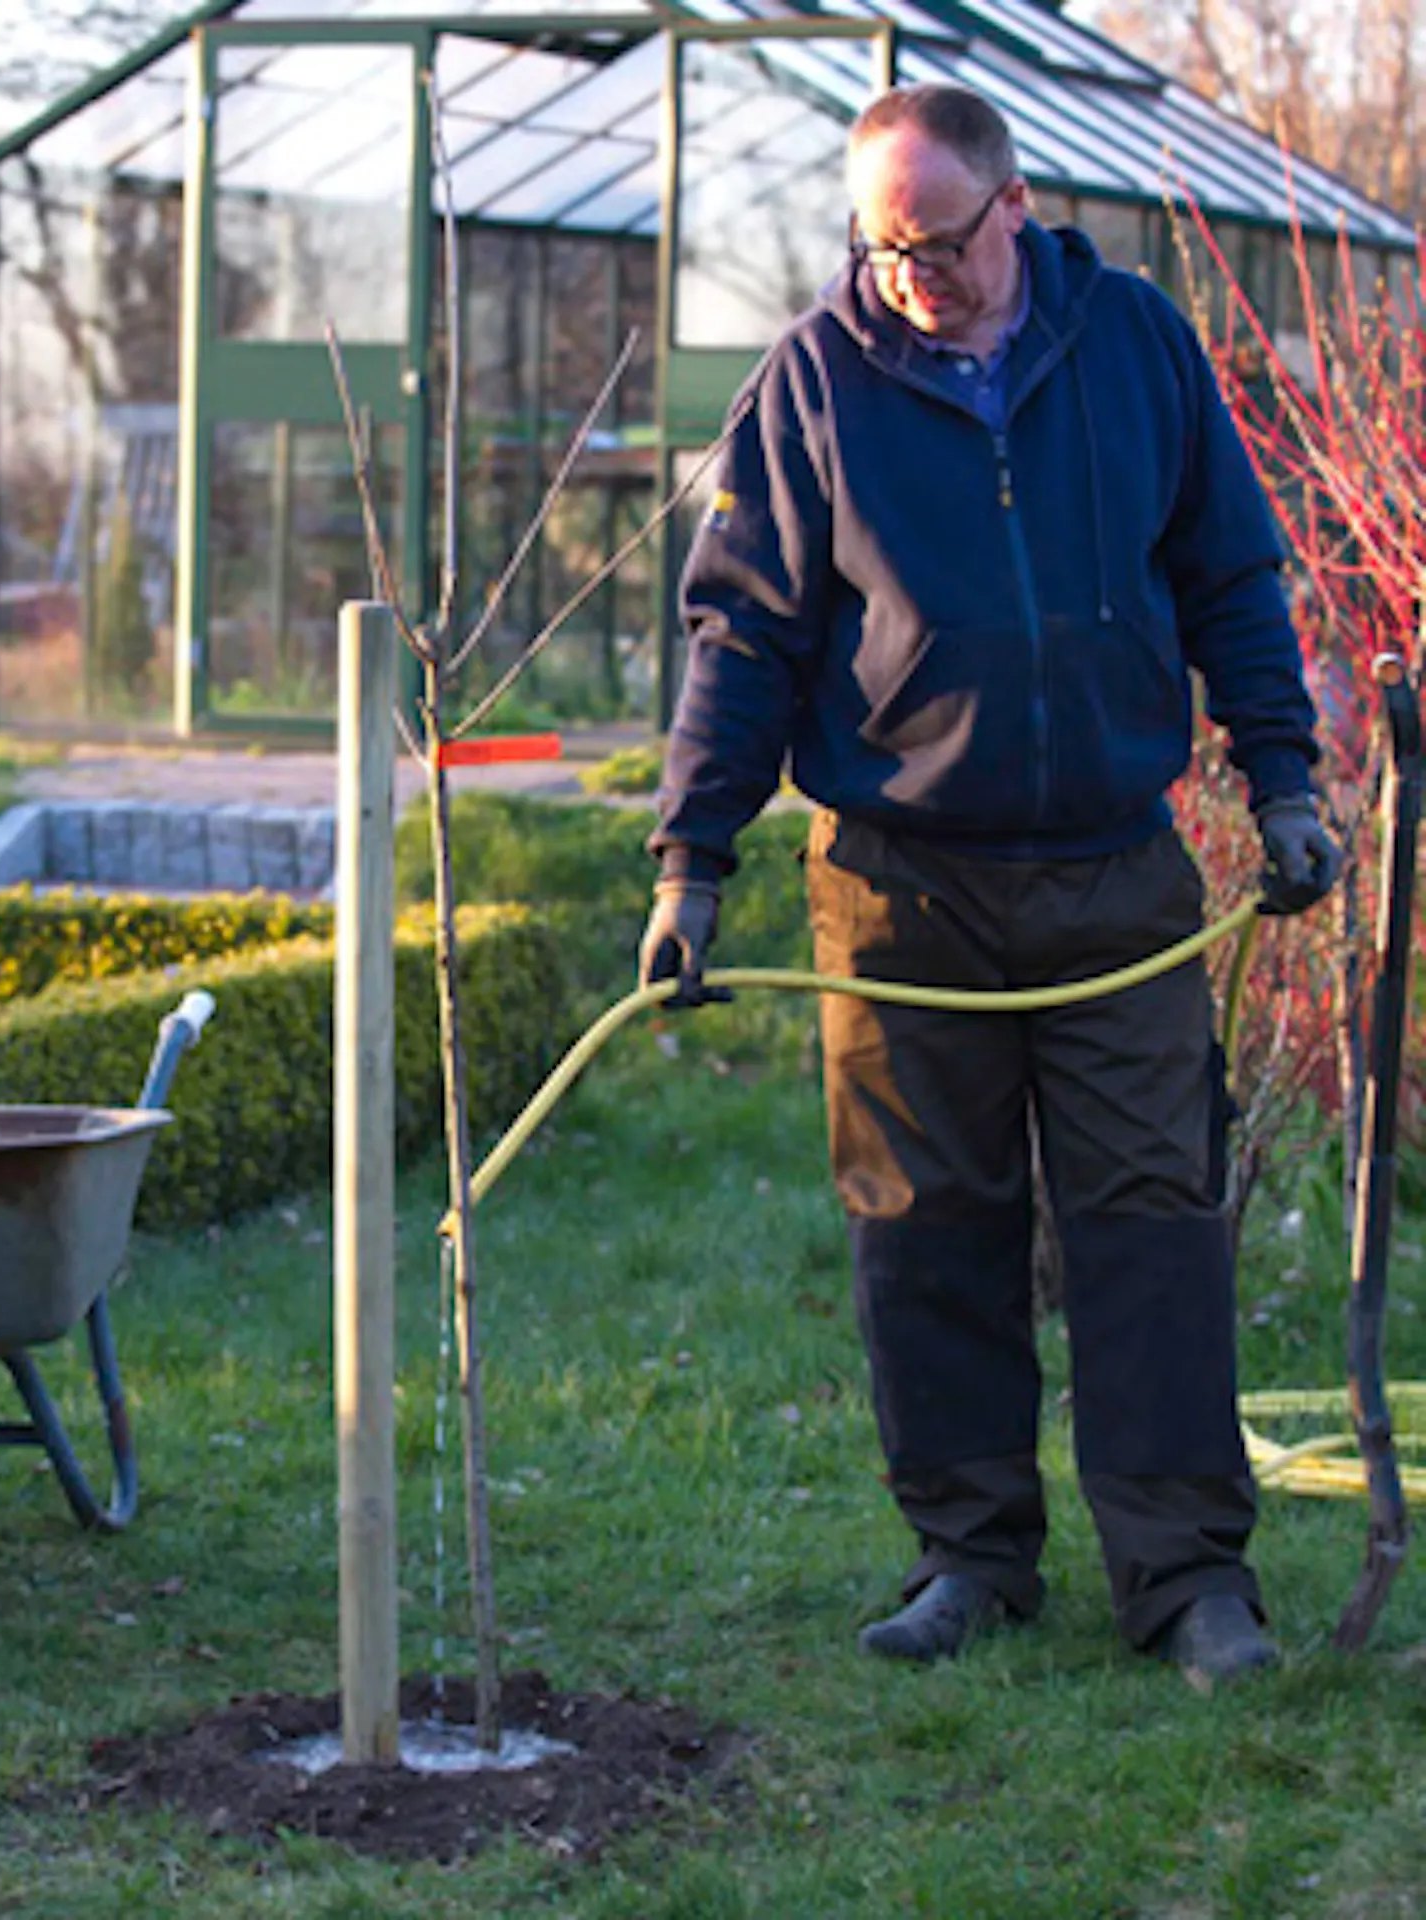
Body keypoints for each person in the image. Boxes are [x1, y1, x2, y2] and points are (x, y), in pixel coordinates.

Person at [638, 82, 1342, 1686]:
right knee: (924, 1227)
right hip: (898, 886)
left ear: (1011, 207)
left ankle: (1186, 1579)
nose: (909, 278)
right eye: (878, 249)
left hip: (1113, 873)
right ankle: (970, 1556)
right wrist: (692, 862)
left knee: (1149, 1223)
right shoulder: (812, 383)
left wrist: (1284, 778)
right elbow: (741, 634)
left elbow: (1231, 573)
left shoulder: (1142, 347)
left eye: (937, 244)